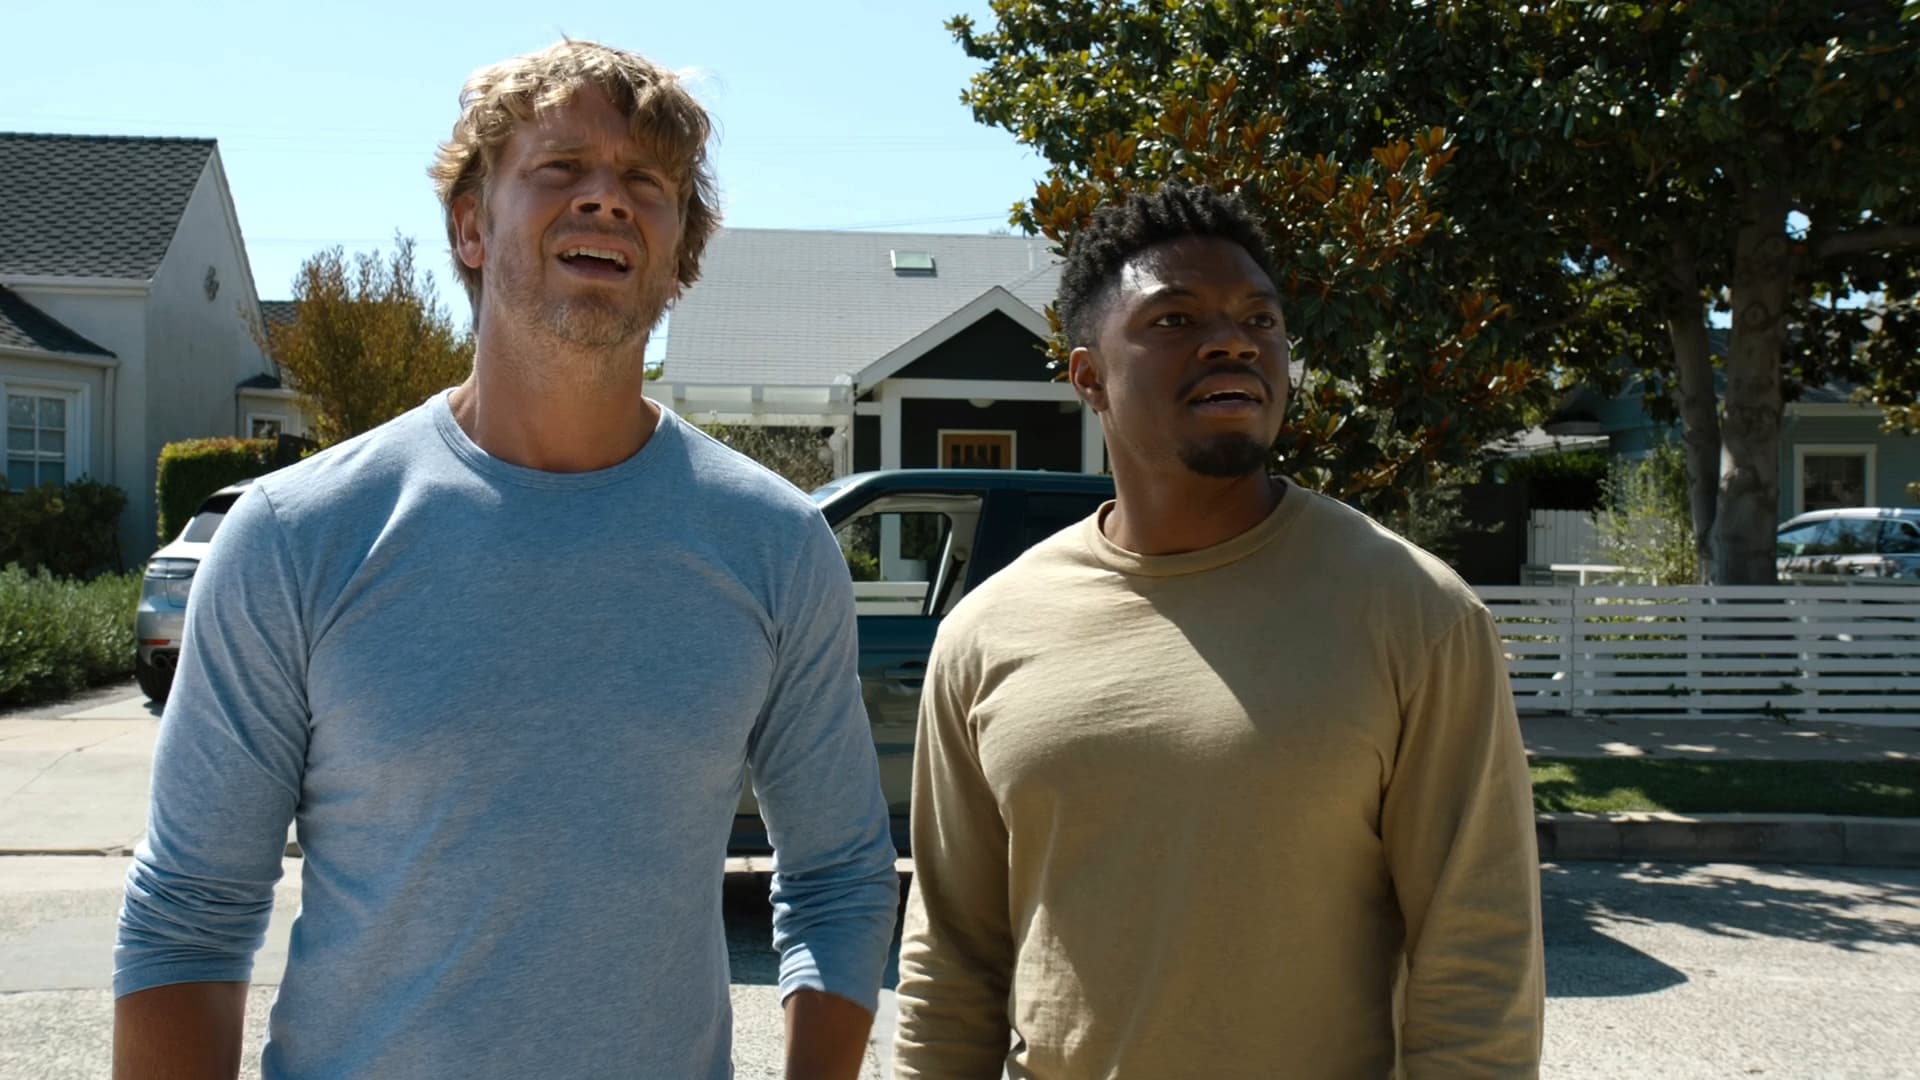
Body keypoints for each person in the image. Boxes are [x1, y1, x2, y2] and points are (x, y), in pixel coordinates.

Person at [113, 39, 898, 1080]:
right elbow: (188, 914)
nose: (606, 199)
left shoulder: (774, 545)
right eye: (561, 167)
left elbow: (839, 878)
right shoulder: (296, 535)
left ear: (681, 253)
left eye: (646, 183)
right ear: (471, 226)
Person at [891, 183, 1544, 1078]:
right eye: (1175, 318)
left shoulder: (1416, 614)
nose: (1233, 340)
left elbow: (1479, 955)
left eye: (1260, 320)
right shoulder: (987, 633)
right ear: (1088, 377)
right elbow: (952, 957)